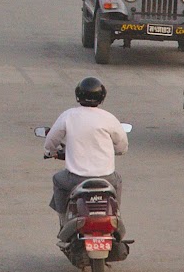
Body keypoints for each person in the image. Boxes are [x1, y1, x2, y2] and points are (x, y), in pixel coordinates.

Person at [43, 77, 128, 233]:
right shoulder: (109, 118)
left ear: (78, 95)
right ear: (102, 97)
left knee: (58, 180)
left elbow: (51, 140)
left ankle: (63, 219)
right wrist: (117, 151)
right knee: (118, 182)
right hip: (106, 178)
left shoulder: (68, 116)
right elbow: (122, 145)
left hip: (75, 179)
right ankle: (115, 216)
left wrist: (51, 152)